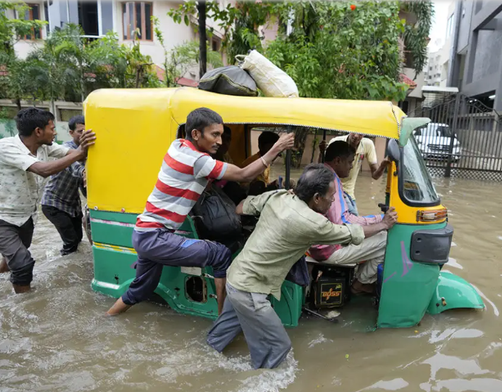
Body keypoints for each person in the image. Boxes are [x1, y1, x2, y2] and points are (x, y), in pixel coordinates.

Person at [106, 108, 294, 317]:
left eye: (221, 135)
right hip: (156, 237)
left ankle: (107, 318)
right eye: (215, 135)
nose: (220, 141)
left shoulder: (177, 146)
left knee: (140, 289)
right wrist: (277, 148)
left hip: (143, 233)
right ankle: (223, 318)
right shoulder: (197, 161)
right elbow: (243, 175)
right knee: (220, 253)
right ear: (196, 134)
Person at [207, 164, 397, 369]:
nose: (334, 200)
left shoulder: (277, 196)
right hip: (250, 291)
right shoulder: (312, 222)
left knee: (216, 340)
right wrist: (384, 224)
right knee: (278, 347)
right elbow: (351, 233)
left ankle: (205, 366)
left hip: (235, 278)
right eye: (331, 196)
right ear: (316, 197)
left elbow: (242, 207)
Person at [0, 108, 95, 293]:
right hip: (3, 217)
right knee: (22, 264)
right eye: (52, 128)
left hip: (27, 216)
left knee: (11, 263)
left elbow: (74, 154)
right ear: (38, 131)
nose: (55, 132)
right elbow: (43, 169)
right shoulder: (6, 147)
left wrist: (85, 149)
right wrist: (79, 151)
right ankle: (23, 305)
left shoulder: (45, 147)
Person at [309, 141, 391, 294]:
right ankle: (359, 284)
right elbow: (344, 221)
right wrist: (380, 220)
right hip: (327, 249)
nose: (351, 166)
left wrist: (376, 220)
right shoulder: (330, 180)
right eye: (349, 162)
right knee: (385, 239)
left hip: (318, 242)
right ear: (337, 161)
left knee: (375, 231)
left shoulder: (320, 172)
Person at [40, 115, 87, 255]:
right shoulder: (66, 148)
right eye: (80, 131)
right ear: (71, 133)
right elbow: (77, 169)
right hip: (54, 203)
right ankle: (60, 265)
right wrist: (86, 172)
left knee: (78, 239)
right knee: (71, 242)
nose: (83, 135)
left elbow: (84, 187)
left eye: (86, 131)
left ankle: (69, 264)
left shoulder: (92, 151)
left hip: (72, 204)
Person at [319, 134, 389, 215]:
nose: (356, 136)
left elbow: (375, 175)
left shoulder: (367, 145)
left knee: (353, 218)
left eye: (360, 133)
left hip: (349, 193)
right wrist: (322, 153)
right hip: (332, 190)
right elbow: (324, 168)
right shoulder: (335, 142)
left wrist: (383, 165)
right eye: (354, 132)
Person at [240, 131, 282, 195]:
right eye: (271, 149)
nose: (275, 154)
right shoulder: (254, 162)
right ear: (261, 147)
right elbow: (256, 186)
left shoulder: (267, 161)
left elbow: (265, 182)